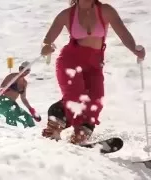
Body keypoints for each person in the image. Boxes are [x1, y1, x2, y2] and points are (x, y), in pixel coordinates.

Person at [40, 0, 146, 144]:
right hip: (70, 60)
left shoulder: (105, 11)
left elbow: (123, 33)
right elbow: (47, 40)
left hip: (94, 64)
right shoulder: (67, 15)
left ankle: (78, 136)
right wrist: (46, 47)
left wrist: (135, 49)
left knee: (96, 100)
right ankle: (55, 127)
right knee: (75, 97)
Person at [0, 61, 42, 128]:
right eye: (23, 68)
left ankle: (30, 133)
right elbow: (1, 87)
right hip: (3, 102)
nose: (25, 71)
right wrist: (3, 89)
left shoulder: (24, 83)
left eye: (27, 70)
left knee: (27, 118)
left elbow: (23, 98)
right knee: (12, 114)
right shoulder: (12, 76)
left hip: (12, 104)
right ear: (20, 68)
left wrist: (31, 110)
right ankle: (12, 133)